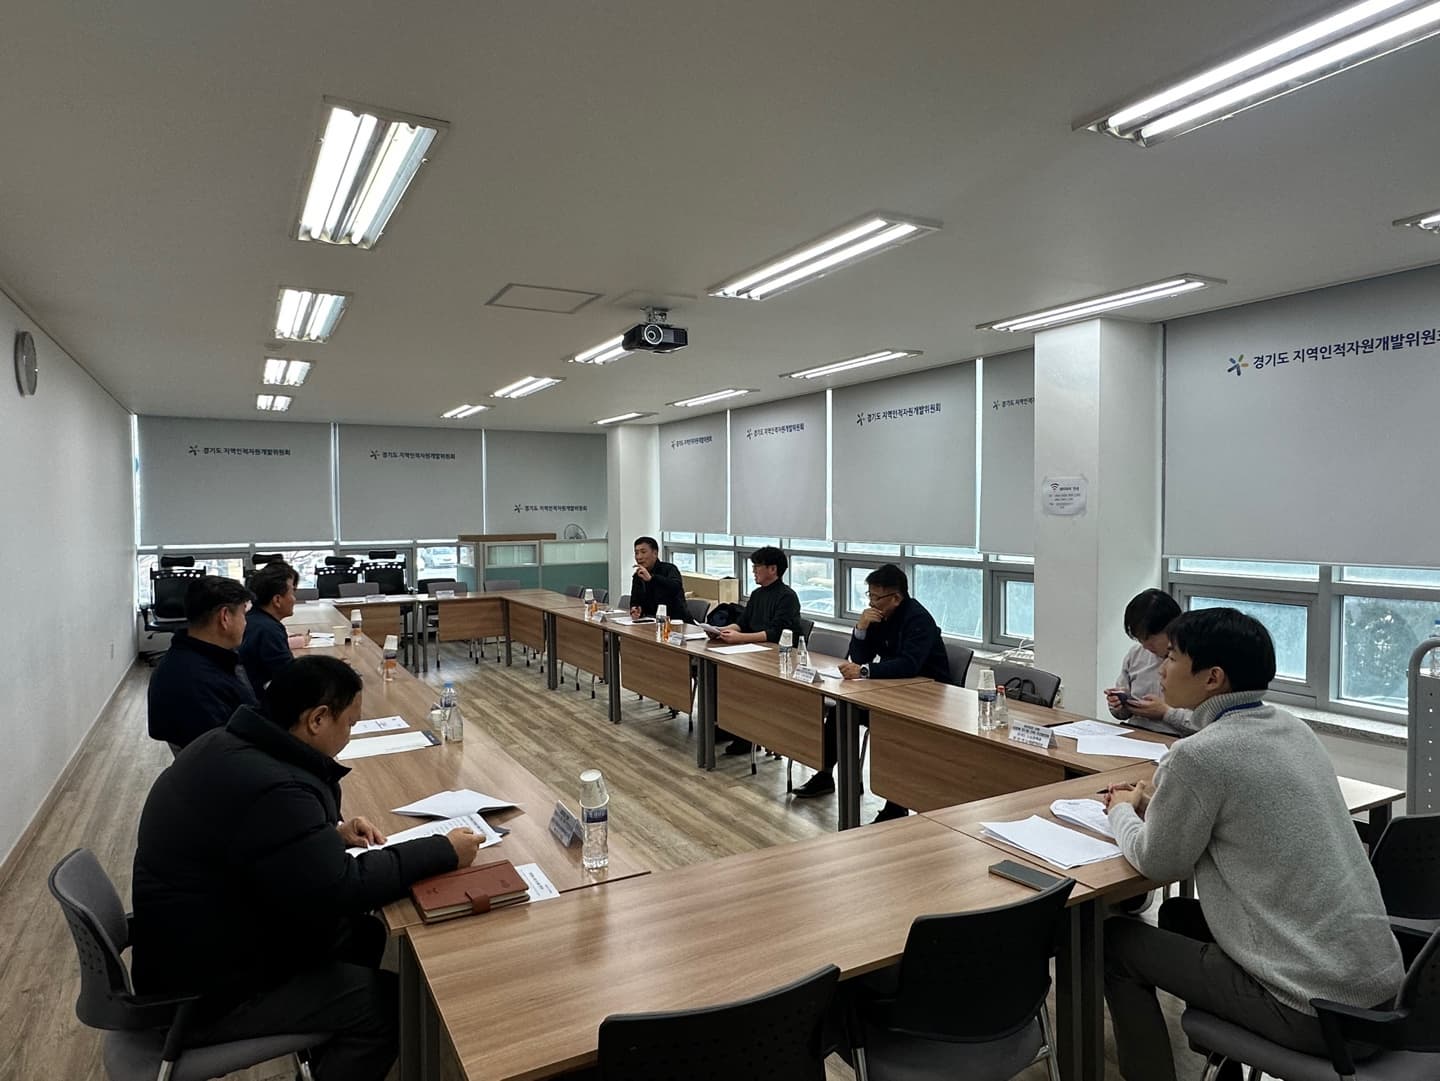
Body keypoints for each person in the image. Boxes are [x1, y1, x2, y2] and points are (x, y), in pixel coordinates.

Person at [131, 655, 482, 1081]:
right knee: (388, 1006)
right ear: (317, 719)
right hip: (207, 995)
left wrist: (329, 835)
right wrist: (443, 850)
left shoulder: (228, 744)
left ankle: (325, 1050)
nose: (349, 735)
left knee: (365, 934)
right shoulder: (275, 787)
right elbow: (342, 888)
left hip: (199, 946)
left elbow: (258, 840)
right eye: (349, 724)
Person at [1101, 608, 1403, 1081]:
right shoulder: (1292, 728)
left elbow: (1158, 862)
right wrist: (1159, 802)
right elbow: (1241, 812)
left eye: (1173, 658)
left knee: (1116, 942)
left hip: (1313, 1012)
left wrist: (1120, 809)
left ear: (1213, 678)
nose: (1160, 668)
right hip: (1383, 997)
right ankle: (1222, 1062)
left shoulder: (1199, 755)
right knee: (1179, 917)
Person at [792, 564, 950, 822]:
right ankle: (825, 775)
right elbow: (859, 656)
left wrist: (865, 671)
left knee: (893, 729)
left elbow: (909, 665)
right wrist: (861, 627)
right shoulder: (879, 615)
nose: (871, 602)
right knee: (842, 713)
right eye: (869, 595)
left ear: (896, 598)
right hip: (892, 689)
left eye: (876, 597)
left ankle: (896, 805)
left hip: (927, 695)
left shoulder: (918, 618)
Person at [147, 575, 258, 750]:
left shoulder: (193, 658)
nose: (246, 623)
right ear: (225, 617)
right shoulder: (197, 681)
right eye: (243, 614)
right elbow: (229, 751)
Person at [714, 546, 803, 755]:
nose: (753, 571)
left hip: (777, 657)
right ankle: (729, 725)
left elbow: (776, 633)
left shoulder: (787, 596)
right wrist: (723, 631)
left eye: (757, 567)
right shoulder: (757, 594)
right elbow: (743, 622)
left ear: (773, 569)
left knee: (747, 683)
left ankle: (747, 735)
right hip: (753, 651)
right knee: (721, 674)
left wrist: (741, 638)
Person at [1104, 588, 1196, 734]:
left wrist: (1165, 713)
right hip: (1135, 732)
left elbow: (1207, 725)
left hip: (1175, 738)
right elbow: (1121, 714)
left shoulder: (1195, 660)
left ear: (1173, 627)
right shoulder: (1136, 654)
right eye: (1139, 639)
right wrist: (1119, 705)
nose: (1145, 646)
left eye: (1149, 638)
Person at [239, 560, 306, 691]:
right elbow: (290, 678)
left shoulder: (253, 619)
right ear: (277, 600)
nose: (295, 599)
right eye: (293, 593)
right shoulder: (269, 630)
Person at [628, 536, 689, 621]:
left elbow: (675, 587)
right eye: (636, 553)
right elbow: (635, 600)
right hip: (649, 621)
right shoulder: (638, 575)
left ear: (655, 553)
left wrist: (652, 579)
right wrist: (635, 609)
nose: (639, 557)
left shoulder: (669, 569)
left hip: (675, 621)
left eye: (643, 552)